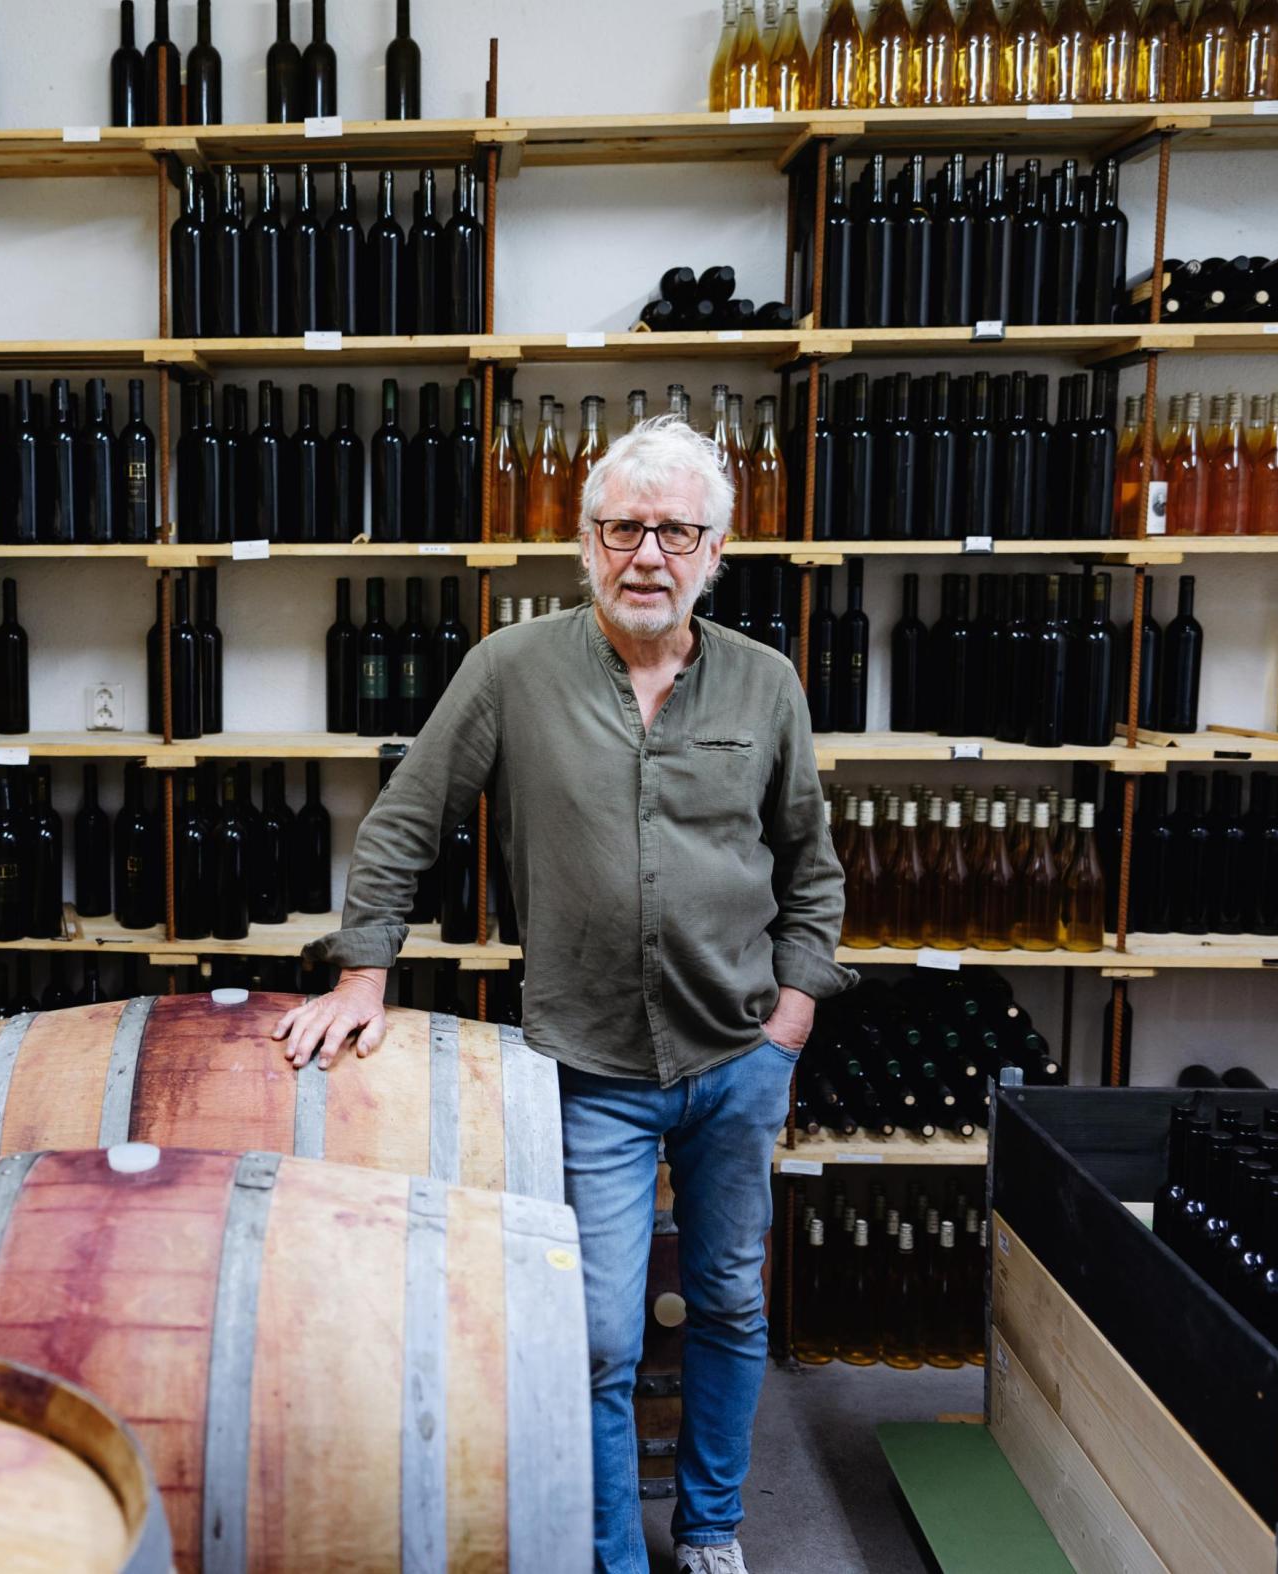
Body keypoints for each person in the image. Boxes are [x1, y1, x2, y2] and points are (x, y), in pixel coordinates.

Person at [274, 413, 853, 1574]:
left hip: (735, 1057)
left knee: (733, 1303)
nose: (647, 554)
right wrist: (361, 966)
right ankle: (609, 1554)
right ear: (583, 542)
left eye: (675, 531)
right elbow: (403, 817)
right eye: (623, 527)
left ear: (714, 552)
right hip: (586, 1065)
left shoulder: (764, 683)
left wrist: (790, 1015)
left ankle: (709, 1527)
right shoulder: (510, 668)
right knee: (594, 1335)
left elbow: (810, 862)